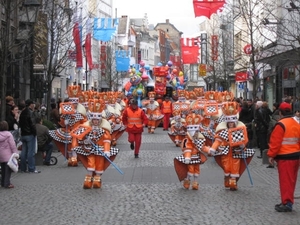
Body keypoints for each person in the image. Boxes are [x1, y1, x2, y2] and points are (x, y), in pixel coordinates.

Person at [203, 101, 255, 191]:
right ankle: (227, 178)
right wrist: (213, 148)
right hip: (225, 152)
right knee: (226, 167)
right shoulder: (222, 130)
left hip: (236, 151)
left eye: (232, 122)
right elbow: (217, 141)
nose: (231, 124)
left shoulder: (240, 129)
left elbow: (244, 139)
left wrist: (243, 145)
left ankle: (233, 182)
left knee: (235, 167)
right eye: (229, 122)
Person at [70, 99, 119, 189]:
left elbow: (106, 140)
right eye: (94, 120)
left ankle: (97, 178)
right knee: (90, 163)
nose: (95, 121)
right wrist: (86, 141)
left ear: (99, 120)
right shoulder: (87, 128)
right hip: (90, 149)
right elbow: (80, 139)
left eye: (97, 120)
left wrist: (107, 150)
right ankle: (88, 178)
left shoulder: (104, 130)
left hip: (100, 149)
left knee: (99, 163)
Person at [267, 102, 300, 212]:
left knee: (285, 181)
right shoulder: (296, 123)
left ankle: (287, 203)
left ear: (280, 112)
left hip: (285, 157)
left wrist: (271, 155)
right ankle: (288, 201)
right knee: (291, 180)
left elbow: (275, 143)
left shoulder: (281, 124)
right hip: (296, 156)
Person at [174, 113, 207, 190]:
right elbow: (186, 148)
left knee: (197, 170)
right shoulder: (187, 139)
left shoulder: (200, 138)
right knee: (191, 170)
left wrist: (209, 150)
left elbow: (202, 147)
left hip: (197, 156)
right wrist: (187, 156)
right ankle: (187, 180)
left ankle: (195, 182)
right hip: (190, 157)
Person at [19, 99, 40, 173]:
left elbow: (20, 124)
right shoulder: (30, 113)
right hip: (30, 134)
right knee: (31, 152)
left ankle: (23, 168)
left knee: (24, 152)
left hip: (23, 134)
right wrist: (34, 133)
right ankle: (31, 168)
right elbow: (32, 124)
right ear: (30, 104)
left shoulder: (22, 113)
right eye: (33, 104)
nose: (33, 105)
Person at [0, 121, 19, 188]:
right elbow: (12, 145)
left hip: (1, 155)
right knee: (8, 170)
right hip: (8, 155)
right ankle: (7, 183)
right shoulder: (8, 134)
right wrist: (16, 153)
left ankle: (2, 182)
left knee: (3, 170)